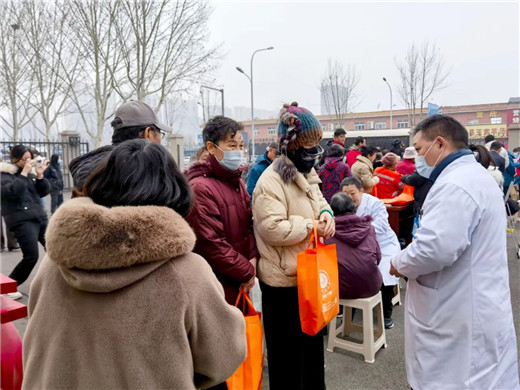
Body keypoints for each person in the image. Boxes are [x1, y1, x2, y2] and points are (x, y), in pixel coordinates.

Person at [23, 140, 247, 390]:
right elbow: (222, 357)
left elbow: (36, 338)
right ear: (174, 191)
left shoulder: (54, 262)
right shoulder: (186, 273)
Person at [390, 115, 519, 389]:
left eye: (420, 149)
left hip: (458, 318)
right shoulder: (474, 176)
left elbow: (434, 249)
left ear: (439, 144)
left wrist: (397, 263)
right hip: (473, 302)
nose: (418, 158)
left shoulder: (455, 185)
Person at [252, 102, 335, 390]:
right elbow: (272, 229)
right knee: (287, 359)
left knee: (312, 352)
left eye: (317, 146)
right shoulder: (270, 182)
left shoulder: (308, 175)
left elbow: (321, 203)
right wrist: (311, 225)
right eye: (308, 147)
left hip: (307, 277)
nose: (314, 154)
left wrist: (327, 215)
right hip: (282, 284)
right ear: (290, 146)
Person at [185, 115, 258, 306]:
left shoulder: (237, 181)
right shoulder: (200, 188)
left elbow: (250, 223)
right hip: (216, 285)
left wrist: (252, 258)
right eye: (232, 146)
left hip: (239, 279)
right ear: (211, 148)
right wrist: (246, 270)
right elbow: (212, 243)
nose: (238, 152)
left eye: (241, 146)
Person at [69, 100, 169, 193]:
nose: (160, 141)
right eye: (160, 134)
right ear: (148, 133)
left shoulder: (90, 171)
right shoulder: (146, 176)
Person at [340, 176, 400, 329]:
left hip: (383, 245)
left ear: (361, 191)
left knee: (383, 272)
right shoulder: (341, 204)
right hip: (357, 246)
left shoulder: (375, 203)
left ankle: (387, 313)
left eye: (353, 193)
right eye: (345, 193)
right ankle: (344, 309)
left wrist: (357, 231)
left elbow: (381, 226)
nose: (349, 197)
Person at [1, 145, 51, 299]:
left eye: (31, 158)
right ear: (16, 159)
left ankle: (61, 280)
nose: (29, 161)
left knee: (55, 250)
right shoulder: (4, 174)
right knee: (31, 256)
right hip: (22, 221)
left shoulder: (29, 174)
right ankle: (8, 286)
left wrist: (40, 176)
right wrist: (23, 174)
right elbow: (13, 192)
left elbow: (43, 192)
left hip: (39, 217)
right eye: (25, 159)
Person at [325, 192, 382, 299]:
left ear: (332, 211)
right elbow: (378, 258)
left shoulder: (327, 233)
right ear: (354, 208)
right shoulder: (369, 228)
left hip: (341, 289)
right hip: (372, 285)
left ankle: (340, 313)